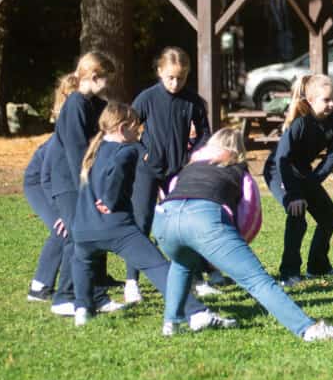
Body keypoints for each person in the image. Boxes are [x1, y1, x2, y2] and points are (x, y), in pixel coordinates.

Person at [154, 128, 333, 340]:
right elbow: (249, 215)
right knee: (257, 279)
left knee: (181, 264)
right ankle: (307, 329)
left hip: (164, 220)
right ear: (238, 151)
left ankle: (171, 323)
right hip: (205, 219)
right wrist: (233, 247)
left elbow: (172, 189)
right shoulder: (239, 172)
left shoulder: (188, 168)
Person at [69, 102, 231, 331]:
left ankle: (82, 309)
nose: (140, 132)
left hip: (83, 228)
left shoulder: (94, 150)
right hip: (116, 227)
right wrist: (110, 201)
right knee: (157, 266)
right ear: (123, 128)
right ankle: (196, 313)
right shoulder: (126, 150)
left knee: (82, 262)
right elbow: (116, 171)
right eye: (137, 127)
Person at [126, 47, 212, 304]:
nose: (175, 83)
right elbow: (128, 128)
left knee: (185, 222)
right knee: (141, 221)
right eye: (171, 77)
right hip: (147, 170)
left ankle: (195, 278)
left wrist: (193, 155)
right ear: (160, 72)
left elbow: (205, 133)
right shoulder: (147, 98)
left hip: (179, 170)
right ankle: (132, 282)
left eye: (181, 78)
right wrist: (142, 153)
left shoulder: (193, 101)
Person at [49, 53, 121, 316]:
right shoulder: (76, 105)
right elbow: (77, 152)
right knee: (77, 239)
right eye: (107, 79)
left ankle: (94, 294)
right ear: (94, 77)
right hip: (70, 183)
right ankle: (64, 297)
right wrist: (88, 187)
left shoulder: (93, 104)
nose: (109, 85)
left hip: (83, 181)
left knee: (92, 236)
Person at [264, 74, 333, 286]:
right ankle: (289, 272)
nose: (332, 104)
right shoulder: (299, 123)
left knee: (329, 215)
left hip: (303, 171)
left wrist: (313, 182)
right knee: (297, 214)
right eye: (326, 100)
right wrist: (293, 194)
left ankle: (318, 267)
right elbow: (282, 160)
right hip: (279, 171)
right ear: (310, 101)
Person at [23, 138, 61, 302]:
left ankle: (98, 279)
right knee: (62, 230)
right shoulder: (63, 138)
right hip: (38, 183)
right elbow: (46, 177)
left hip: (61, 183)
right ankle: (38, 287)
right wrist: (61, 211)